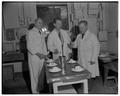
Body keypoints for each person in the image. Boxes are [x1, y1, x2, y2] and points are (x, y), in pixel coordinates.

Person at [27, 18, 48, 93]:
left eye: (42, 23)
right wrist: (39, 54)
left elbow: (43, 45)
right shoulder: (30, 32)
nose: (41, 24)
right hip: (34, 57)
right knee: (34, 77)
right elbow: (29, 46)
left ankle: (39, 91)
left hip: (41, 57)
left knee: (40, 76)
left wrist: (45, 55)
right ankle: (35, 93)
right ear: (35, 23)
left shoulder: (41, 32)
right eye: (39, 23)